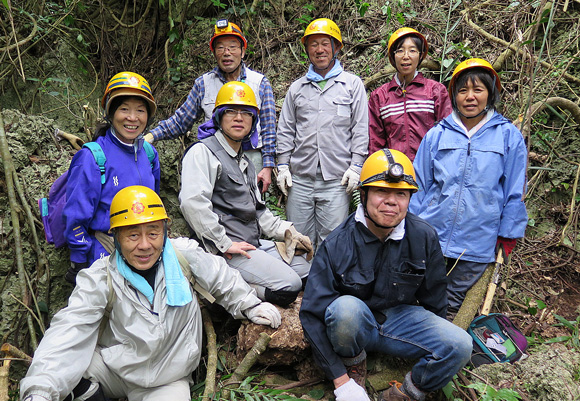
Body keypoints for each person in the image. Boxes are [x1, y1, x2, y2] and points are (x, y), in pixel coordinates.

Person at [11, 185, 281, 401]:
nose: (144, 245)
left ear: (164, 231)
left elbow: (221, 278)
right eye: (132, 235)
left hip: (168, 378)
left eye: (153, 233)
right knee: (68, 367)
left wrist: (250, 304)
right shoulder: (100, 277)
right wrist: (39, 396)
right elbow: (69, 331)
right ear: (115, 237)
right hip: (116, 367)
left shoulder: (183, 255)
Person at [299, 149, 472, 401]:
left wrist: (434, 344)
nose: (391, 202)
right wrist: (340, 380)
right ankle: (354, 367)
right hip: (354, 326)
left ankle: (407, 395)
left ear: (410, 199)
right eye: (381, 192)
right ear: (364, 194)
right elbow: (311, 315)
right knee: (345, 310)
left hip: (400, 322)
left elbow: (435, 300)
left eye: (401, 194)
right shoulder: (337, 243)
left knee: (460, 343)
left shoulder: (423, 237)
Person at [409, 58, 528, 318]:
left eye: (478, 90)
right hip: (433, 235)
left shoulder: (508, 136)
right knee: (422, 293)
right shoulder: (437, 134)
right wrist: (412, 227)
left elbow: (515, 191)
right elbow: (418, 185)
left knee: (451, 302)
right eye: (463, 90)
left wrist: (508, 234)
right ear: (454, 95)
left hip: (478, 240)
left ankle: (443, 350)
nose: (470, 97)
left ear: (491, 93)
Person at [180, 81, 312, 307]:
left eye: (246, 113)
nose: (239, 118)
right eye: (231, 111)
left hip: (250, 243)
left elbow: (259, 211)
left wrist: (288, 231)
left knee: (308, 269)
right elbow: (193, 204)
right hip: (223, 251)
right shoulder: (203, 152)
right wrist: (223, 243)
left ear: (253, 122)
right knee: (289, 285)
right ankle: (240, 288)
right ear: (219, 117)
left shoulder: (245, 161)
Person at [144, 20, 276, 193]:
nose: (226, 53)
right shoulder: (203, 84)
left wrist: (268, 166)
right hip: (215, 156)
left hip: (251, 156)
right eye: (220, 48)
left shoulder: (259, 83)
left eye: (232, 47)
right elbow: (181, 121)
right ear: (214, 53)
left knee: (253, 207)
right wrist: (151, 136)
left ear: (243, 51)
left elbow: (269, 128)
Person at [276, 18, 369, 252]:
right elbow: (286, 129)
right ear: (306, 49)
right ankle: (299, 285)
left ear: (336, 47)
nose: (319, 49)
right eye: (313, 44)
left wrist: (356, 166)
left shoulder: (352, 85)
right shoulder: (297, 88)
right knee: (297, 239)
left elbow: (360, 128)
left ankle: (326, 287)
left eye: (325, 43)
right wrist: (283, 167)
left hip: (337, 179)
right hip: (300, 179)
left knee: (333, 241)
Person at [63, 71, 160, 284]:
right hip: (106, 249)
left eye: (140, 110)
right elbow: (76, 213)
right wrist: (80, 260)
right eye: (124, 109)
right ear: (110, 112)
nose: (132, 118)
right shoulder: (93, 157)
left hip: (146, 250)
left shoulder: (150, 155)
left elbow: (155, 205)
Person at [368, 27, 452, 161]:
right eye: (400, 51)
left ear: (420, 55)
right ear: (392, 56)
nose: (406, 56)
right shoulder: (379, 96)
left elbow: (448, 133)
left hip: (429, 169)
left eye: (412, 50)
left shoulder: (435, 91)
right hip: (394, 170)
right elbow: (375, 141)